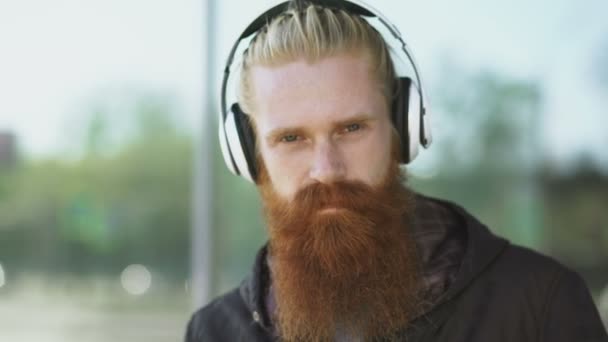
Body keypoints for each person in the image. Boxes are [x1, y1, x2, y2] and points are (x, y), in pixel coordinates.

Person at [185, 1, 608, 341]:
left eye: (352, 128)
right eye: (291, 139)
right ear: (247, 154)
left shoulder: (540, 303)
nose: (326, 170)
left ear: (402, 129)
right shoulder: (214, 331)